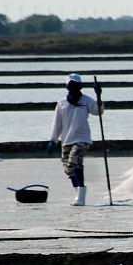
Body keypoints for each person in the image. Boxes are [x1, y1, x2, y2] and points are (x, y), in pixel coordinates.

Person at [48, 74, 102, 206]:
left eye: (76, 85)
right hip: (67, 139)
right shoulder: (62, 103)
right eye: (70, 85)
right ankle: (78, 195)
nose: (73, 88)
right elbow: (57, 123)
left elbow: (98, 111)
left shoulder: (86, 100)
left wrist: (99, 97)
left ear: (80, 86)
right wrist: (53, 140)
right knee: (68, 169)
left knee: (74, 162)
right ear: (67, 87)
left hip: (82, 138)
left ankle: (81, 198)